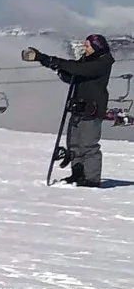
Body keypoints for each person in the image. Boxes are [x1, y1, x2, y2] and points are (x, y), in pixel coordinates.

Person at [25, 36, 115, 186]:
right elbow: (72, 75)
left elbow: (78, 70)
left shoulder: (102, 63)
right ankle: (78, 173)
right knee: (74, 144)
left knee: (88, 145)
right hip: (78, 108)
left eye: (88, 46)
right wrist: (52, 65)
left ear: (97, 47)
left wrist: (49, 59)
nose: (85, 48)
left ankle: (91, 179)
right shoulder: (87, 60)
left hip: (92, 110)